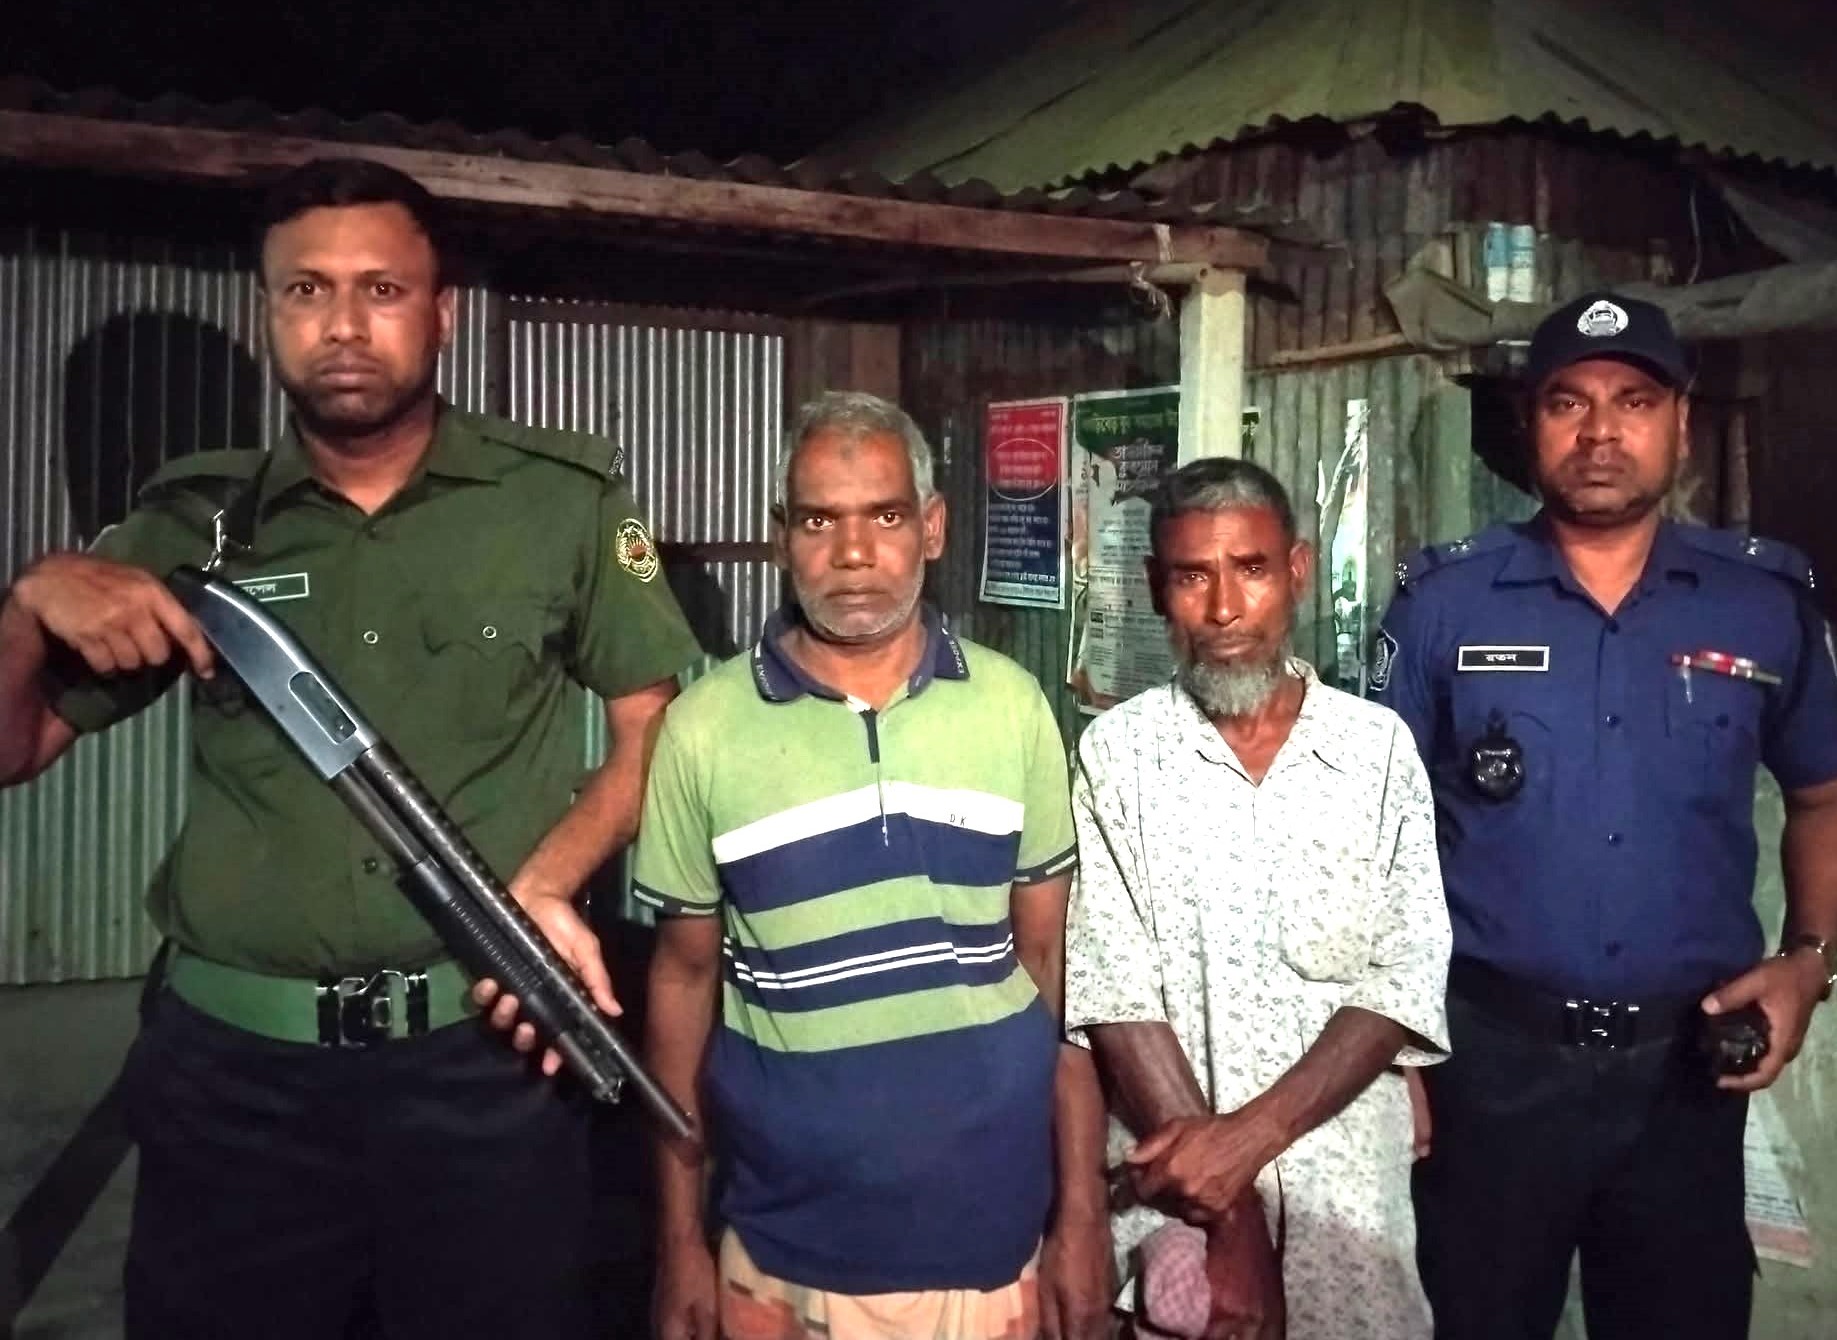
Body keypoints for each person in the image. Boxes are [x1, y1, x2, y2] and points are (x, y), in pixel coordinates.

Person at [0, 157, 701, 1338]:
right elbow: (15, 746)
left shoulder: (558, 499)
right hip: (232, 1082)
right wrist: (26, 605)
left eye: (382, 289)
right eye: (306, 290)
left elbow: (656, 723)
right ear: (266, 313)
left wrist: (544, 884)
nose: (342, 324)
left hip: (480, 1055)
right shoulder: (190, 523)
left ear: (442, 311)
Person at [1371, 291, 1837, 1339]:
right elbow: (1368, 835)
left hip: (1688, 1074)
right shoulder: (1444, 603)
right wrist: (1391, 1052)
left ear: (1681, 421)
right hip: (1485, 1068)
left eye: (1634, 401)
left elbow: (1826, 800)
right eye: (1569, 401)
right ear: (1531, 423)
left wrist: (1808, 962)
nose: (1600, 431)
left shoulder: (1759, 603)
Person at [633, 392, 1112, 1340]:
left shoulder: (1014, 709)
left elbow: (1052, 970)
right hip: (778, 1252)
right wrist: (678, 1240)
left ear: (932, 528)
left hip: (991, 1246)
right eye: (820, 521)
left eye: (885, 516)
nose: (853, 552)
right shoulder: (703, 731)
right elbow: (682, 983)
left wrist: (1081, 1215)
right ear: (782, 536)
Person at [1066, 457, 1451, 1340]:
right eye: (1192, 576)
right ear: (1157, 588)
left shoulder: (1377, 751)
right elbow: (1115, 990)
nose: (1225, 609)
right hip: (1171, 1201)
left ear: (1298, 571)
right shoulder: (1119, 756)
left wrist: (1245, 1142)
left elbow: (1403, 975)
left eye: (1251, 570)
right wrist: (1229, 1215)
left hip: (1347, 1205)